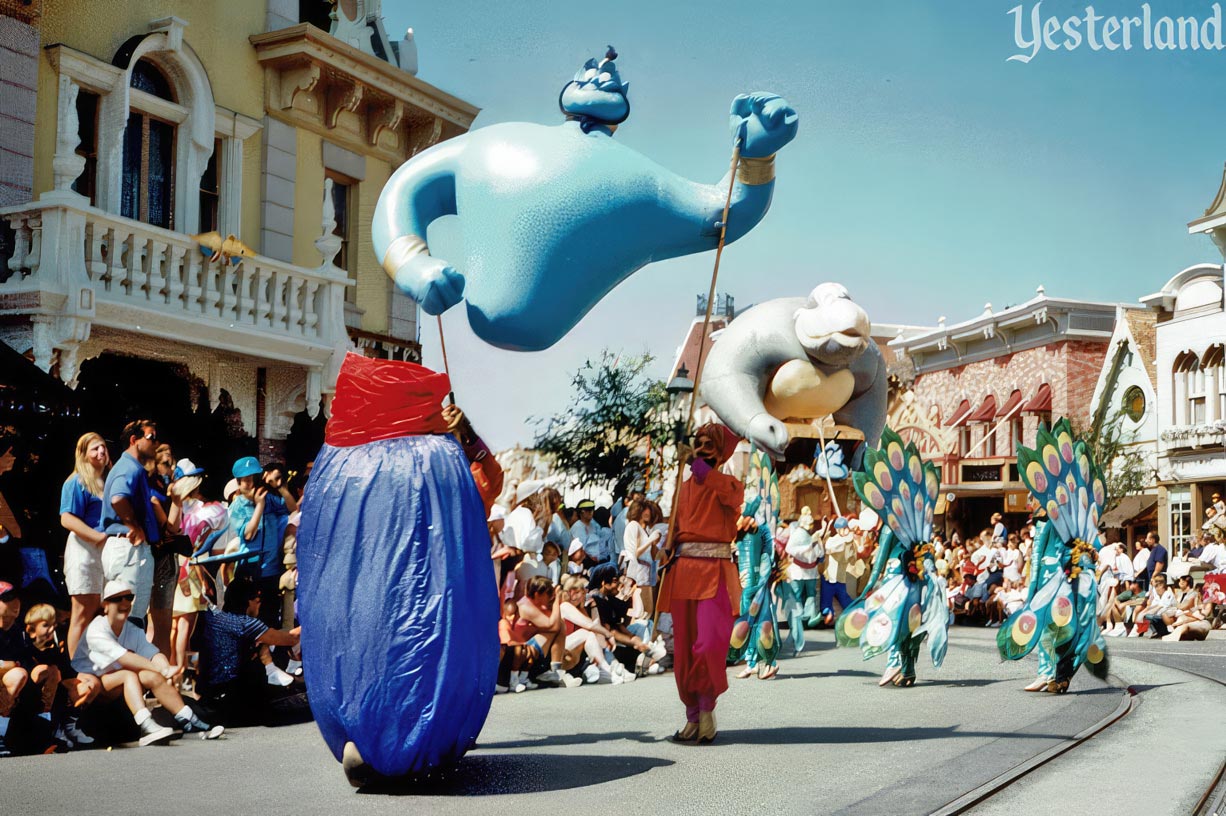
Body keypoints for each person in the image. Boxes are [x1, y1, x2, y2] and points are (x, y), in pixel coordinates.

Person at [836, 429, 949, 689]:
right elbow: (927, 552)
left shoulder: (890, 527)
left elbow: (879, 563)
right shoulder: (920, 523)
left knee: (893, 620)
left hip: (897, 580)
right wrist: (931, 577)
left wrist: (868, 586)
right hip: (917, 580)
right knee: (912, 622)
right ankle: (908, 670)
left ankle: (894, 663)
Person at [656, 422, 744, 744]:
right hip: (683, 574)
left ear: (721, 452)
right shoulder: (681, 488)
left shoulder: (729, 484)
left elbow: (729, 495)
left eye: (710, 444)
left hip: (715, 574)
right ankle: (693, 717)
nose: (703, 448)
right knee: (683, 651)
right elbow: (673, 533)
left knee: (708, 644)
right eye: (698, 443)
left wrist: (696, 464)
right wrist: (664, 552)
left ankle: (708, 707)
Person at [71, 580, 223, 745]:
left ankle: (191, 722)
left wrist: (164, 668)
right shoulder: (96, 629)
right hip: (92, 685)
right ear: (105, 605)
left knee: (151, 676)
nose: (124, 603)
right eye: (117, 599)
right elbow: (125, 658)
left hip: (117, 685)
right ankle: (147, 727)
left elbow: (152, 654)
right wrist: (163, 670)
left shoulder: (131, 629)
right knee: (129, 675)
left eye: (129, 597)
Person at [195, 577, 306, 725]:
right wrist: (311, 621)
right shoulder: (246, 624)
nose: (258, 607)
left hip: (209, 695)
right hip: (234, 699)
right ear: (249, 602)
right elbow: (291, 638)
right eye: (257, 602)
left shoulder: (215, 619)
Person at [98, 420, 163, 626]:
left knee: (133, 618)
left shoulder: (133, 467)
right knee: (126, 618)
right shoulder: (128, 467)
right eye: (151, 437)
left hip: (130, 549)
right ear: (134, 440)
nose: (156, 442)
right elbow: (118, 498)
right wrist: (133, 526)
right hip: (127, 547)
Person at [60, 432, 111, 658]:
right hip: (84, 549)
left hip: (106, 552)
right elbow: (67, 518)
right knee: (82, 611)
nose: (101, 452)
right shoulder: (77, 481)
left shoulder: (108, 481)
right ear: (83, 454)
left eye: (103, 447)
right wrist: (97, 537)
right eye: (94, 448)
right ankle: (75, 668)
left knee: (101, 609)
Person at [512, 575, 582, 689]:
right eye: (548, 593)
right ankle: (554, 671)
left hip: (531, 648)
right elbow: (553, 626)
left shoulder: (537, 604)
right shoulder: (526, 606)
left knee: (560, 625)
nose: (551, 595)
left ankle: (555, 671)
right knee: (558, 627)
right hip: (521, 652)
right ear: (537, 594)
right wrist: (556, 601)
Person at [622, 499, 662, 619]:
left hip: (646, 572)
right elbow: (635, 553)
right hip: (637, 572)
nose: (647, 512)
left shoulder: (644, 530)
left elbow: (652, 555)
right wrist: (650, 540)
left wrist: (654, 543)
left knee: (647, 609)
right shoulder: (633, 526)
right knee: (642, 610)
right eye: (644, 509)